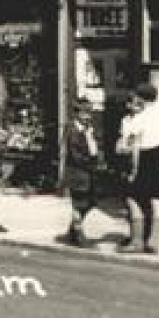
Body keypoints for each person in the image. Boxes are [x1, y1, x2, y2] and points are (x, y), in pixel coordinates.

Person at [119, 83, 159, 254]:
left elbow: (135, 146)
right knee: (157, 200)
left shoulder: (140, 118)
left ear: (141, 98)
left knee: (133, 198)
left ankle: (137, 241)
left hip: (145, 158)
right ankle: (153, 242)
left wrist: (134, 170)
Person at [58, 100, 102, 247]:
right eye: (85, 113)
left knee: (90, 203)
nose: (88, 117)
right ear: (76, 114)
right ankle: (78, 235)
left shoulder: (88, 129)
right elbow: (75, 154)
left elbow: (94, 149)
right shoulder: (72, 129)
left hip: (88, 173)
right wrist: (91, 163)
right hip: (76, 173)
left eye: (90, 113)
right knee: (78, 204)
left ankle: (72, 230)